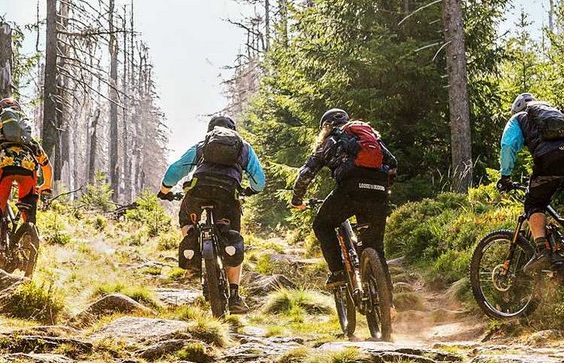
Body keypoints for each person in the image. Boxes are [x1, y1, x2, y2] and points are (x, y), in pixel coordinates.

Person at [157, 116, 266, 314]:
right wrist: (250, 190)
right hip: (228, 194)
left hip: (200, 191)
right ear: (234, 131)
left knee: (185, 217)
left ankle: (192, 247)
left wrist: (165, 190)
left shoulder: (201, 146)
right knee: (233, 236)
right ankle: (234, 296)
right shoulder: (243, 147)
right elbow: (259, 181)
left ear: (210, 131)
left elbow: (175, 170)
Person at [290, 108, 397, 286]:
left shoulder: (329, 141)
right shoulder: (370, 138)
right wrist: (383, 187)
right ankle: (389, 305)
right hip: (378, 191)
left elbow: (306, 174)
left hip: (350, 190)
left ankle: (338, 272)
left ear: (325, 126)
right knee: (376, 247)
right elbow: (392, 163)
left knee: (322, 225)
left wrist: (297, 200)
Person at [496, 92, 564, 267]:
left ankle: (543, 251)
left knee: (535, 203)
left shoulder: (518, 118)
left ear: (516, 108)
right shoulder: (555, 115)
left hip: (549, 159)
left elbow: (507, 145)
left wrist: (505, 176)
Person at [0, 97, 54, 263]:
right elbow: (46, 164)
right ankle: (27, 244)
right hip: (29, 171)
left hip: (2, 168)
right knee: (28, 210)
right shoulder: (24, 129)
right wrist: (46, 184)